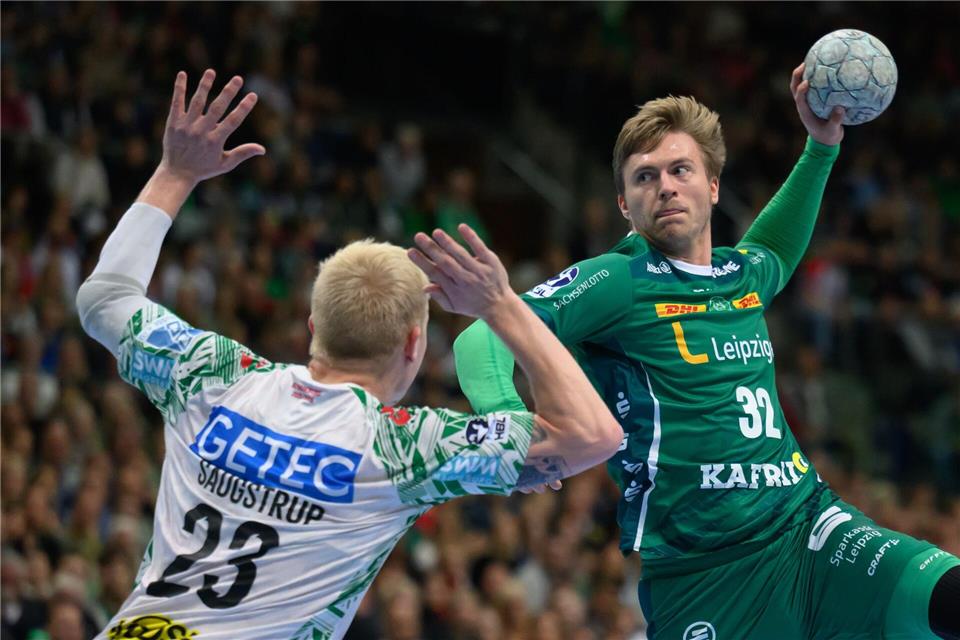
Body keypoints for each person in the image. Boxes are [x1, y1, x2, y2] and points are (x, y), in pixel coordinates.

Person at [76, 70, 622, 640]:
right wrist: (501, 304)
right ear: (414, 345)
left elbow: (105, 297)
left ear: (314, 325)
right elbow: (593, 436)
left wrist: (175, 172)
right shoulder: (401, 448)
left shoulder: (211, 375)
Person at [453, 64, 960, 638]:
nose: (665, 185)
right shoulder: (619, 279)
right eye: (644, 177)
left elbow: (773, 246)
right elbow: (482, 333)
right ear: (624, 204)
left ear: (713, 186)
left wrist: (821, 147)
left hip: (810, 529)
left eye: (680, 170)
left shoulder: (738, 276)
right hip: (705, 575)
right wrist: (509, 422)